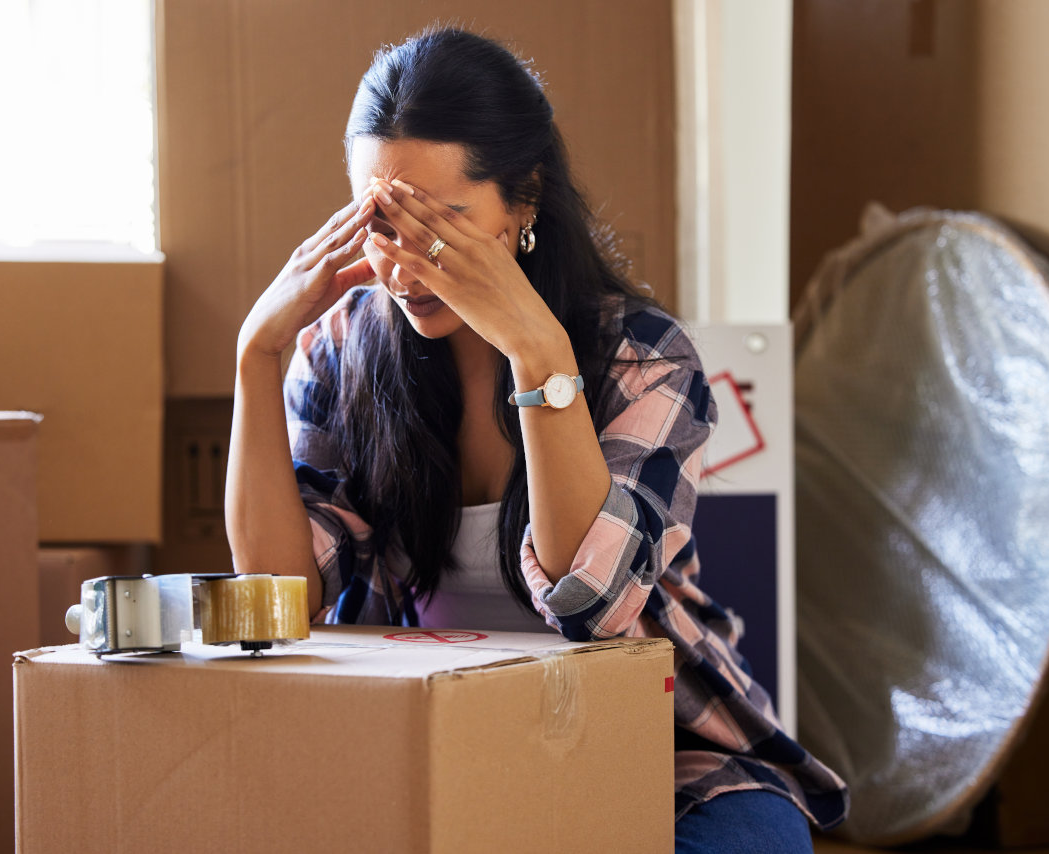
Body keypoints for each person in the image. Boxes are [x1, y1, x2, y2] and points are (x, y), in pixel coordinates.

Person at [226, 26, 848, 850]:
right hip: (434, 742)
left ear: (523, 202)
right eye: (383, 221)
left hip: (665, 754)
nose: (406, 269)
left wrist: (539, 352)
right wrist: (255, 355)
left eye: (441, 221)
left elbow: (595, 606)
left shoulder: (644, 357)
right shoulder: (342, 351)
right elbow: (278, 598)